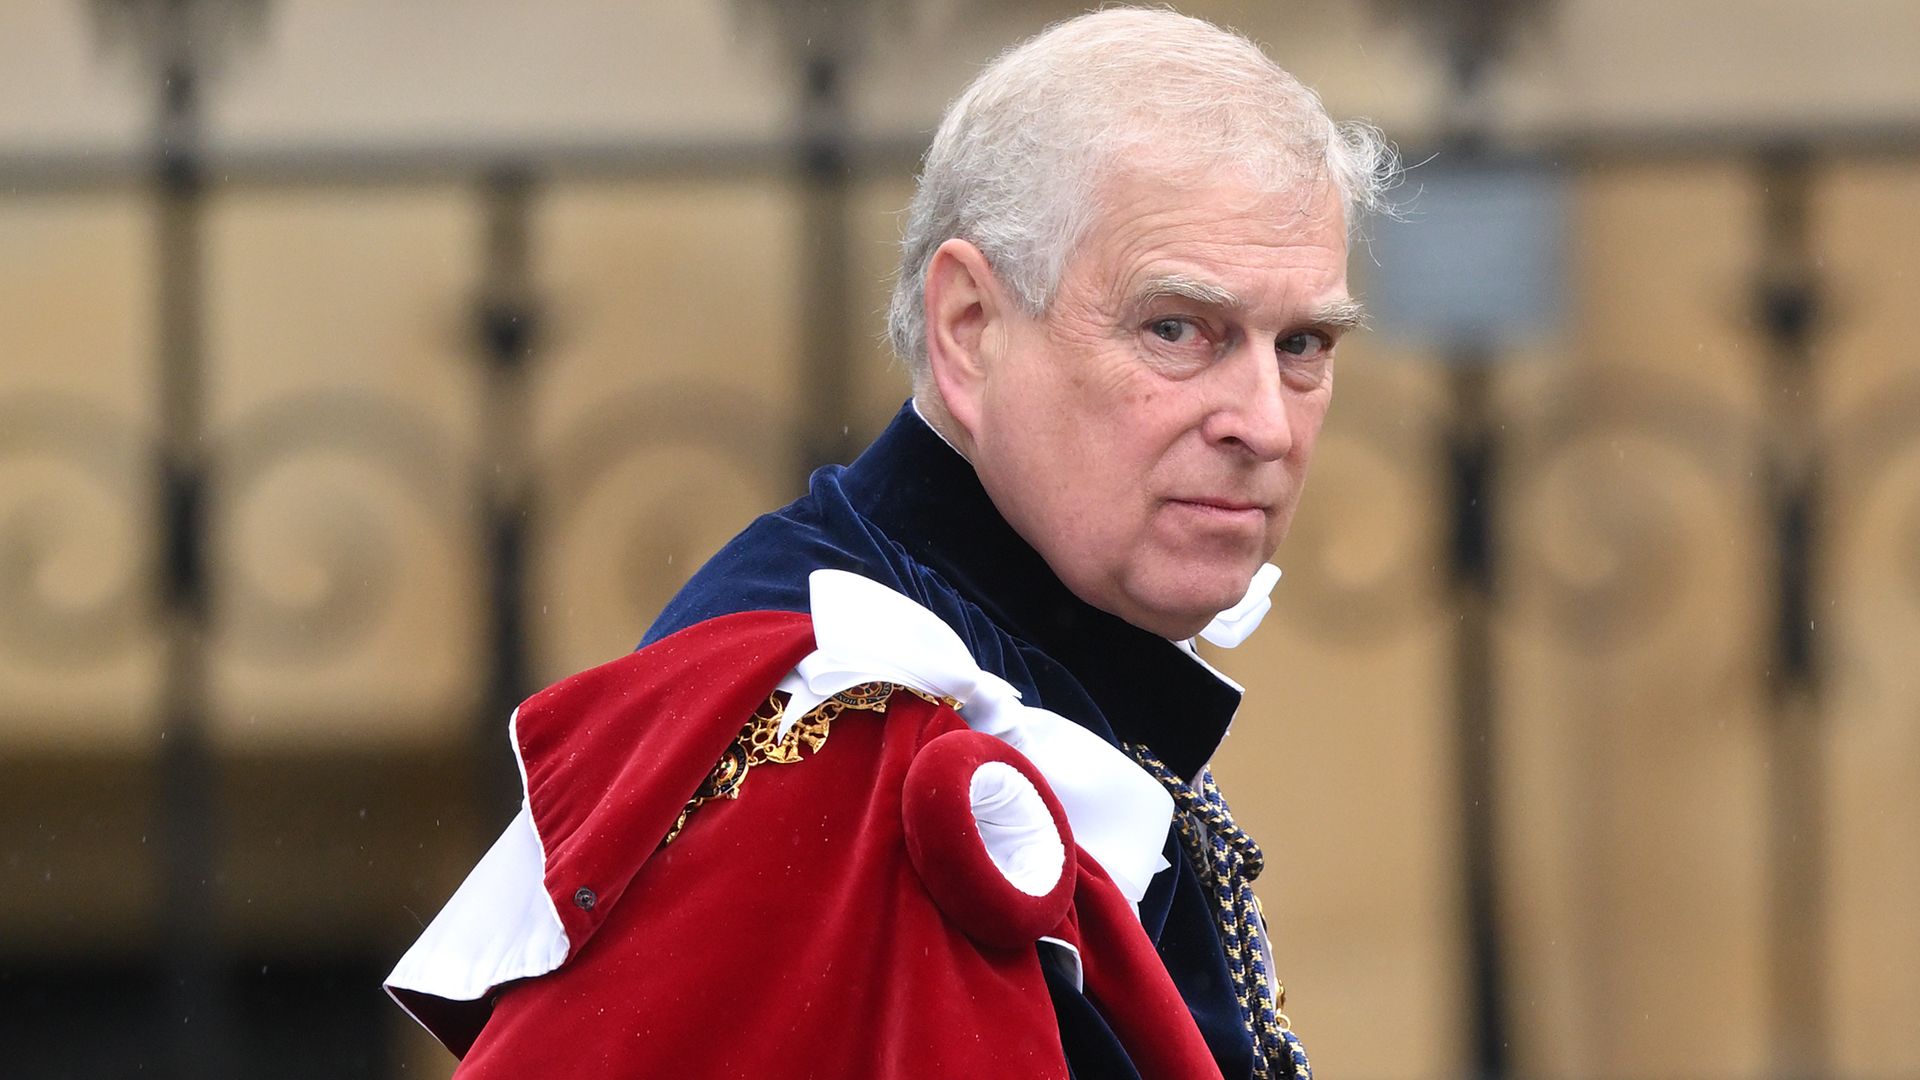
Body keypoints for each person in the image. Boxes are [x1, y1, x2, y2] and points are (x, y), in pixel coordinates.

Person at [388, 8, 1392, 1078]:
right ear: (968, 328)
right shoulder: (835, 731)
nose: (1265, 423)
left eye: (1302, 345)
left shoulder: (1059, 672)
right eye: (1178, 329)